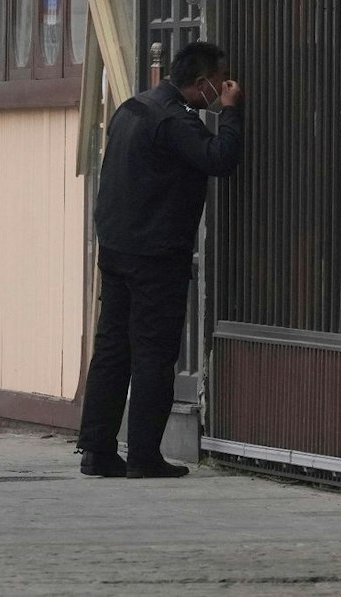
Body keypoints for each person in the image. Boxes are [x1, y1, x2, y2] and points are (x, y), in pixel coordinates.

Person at [77, 41, 243, 478]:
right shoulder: (175, 120)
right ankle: (145, 455)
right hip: (154, 254)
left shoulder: (132, 107)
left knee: (112, 349)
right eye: (220, 79)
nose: (222, 85)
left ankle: (96, 451)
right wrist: (230, 111)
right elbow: (219, 159)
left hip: (114, 247)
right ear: (203, 81)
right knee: (153, 352)